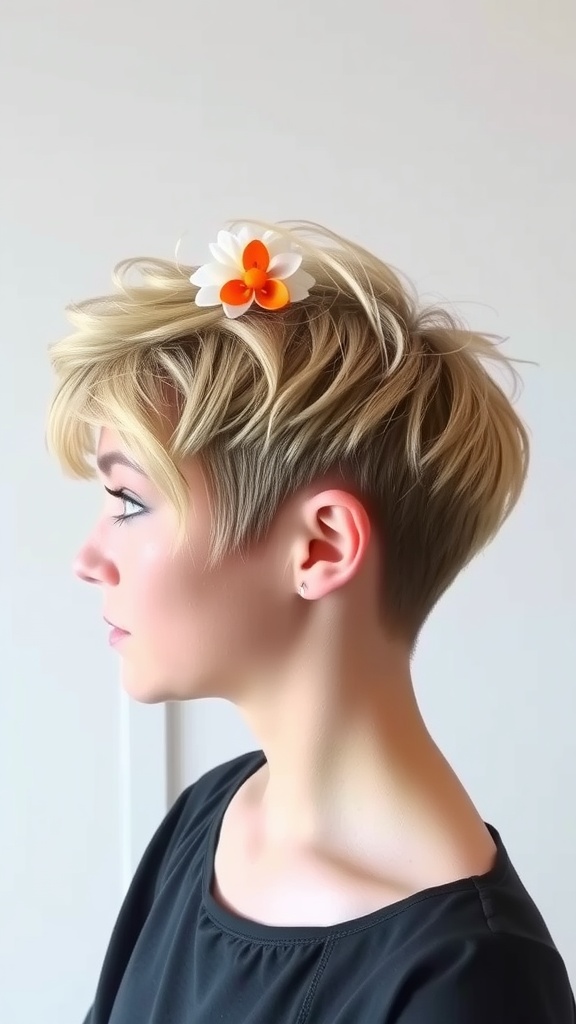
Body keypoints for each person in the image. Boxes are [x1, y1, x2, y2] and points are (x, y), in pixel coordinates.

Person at [46, 220, 575, 1023]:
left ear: (321, 545)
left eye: (128, 501)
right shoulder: (208, 818)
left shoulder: (472, 985)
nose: (88, 558)